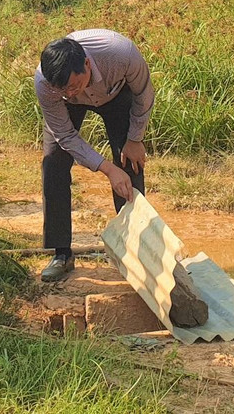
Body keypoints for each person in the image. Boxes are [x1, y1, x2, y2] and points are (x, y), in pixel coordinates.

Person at [34, 29, 152, 283]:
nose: (71, 92)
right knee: (53, 162)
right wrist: (107, 169)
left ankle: (135, 251)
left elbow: (143, 92)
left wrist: (135, 139)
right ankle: (61, 254)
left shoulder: (120, 53)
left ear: (87, 64)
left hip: (116, 94)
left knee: (129, 162)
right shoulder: (45, 84)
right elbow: (65, 136)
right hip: (68, 114)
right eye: (63, 90)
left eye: (74, 85)